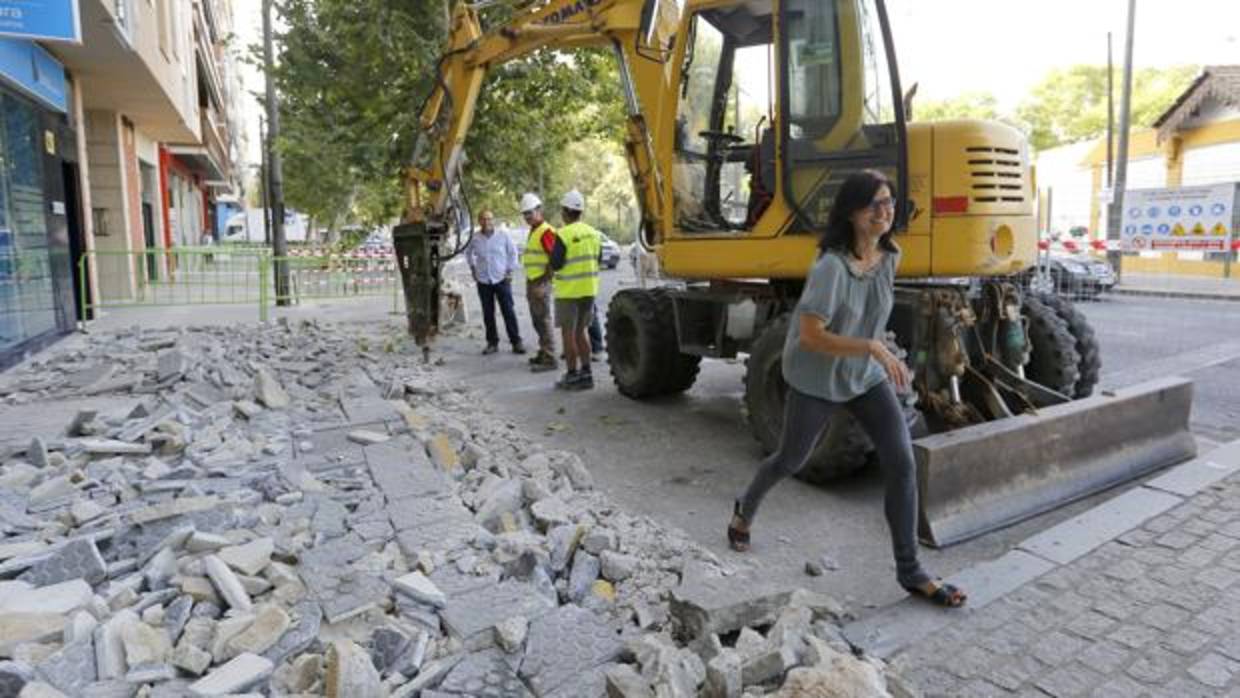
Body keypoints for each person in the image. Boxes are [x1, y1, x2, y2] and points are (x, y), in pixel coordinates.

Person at [727, 169, 967, 608]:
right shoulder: (830, 268)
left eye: (890, 202)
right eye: (875, 204)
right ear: (852, 213)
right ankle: (745, 508)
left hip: (865, 376)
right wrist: (874, 347)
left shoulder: (891, 255)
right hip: (818, 376)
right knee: (790, 458)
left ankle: (911, 572)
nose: (885, 211)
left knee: (901, 462)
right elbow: (813, 336)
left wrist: (883, 356)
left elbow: (870, 313)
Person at [547, 189, 601, 390]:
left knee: (568, 334)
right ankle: (586, 373)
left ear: (565, 212)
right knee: (582, 332)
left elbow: (556, 264)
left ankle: (571, 374)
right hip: (589, 291)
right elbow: (598, 259)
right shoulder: (594, 234)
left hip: (569, 292)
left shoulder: (564, 234)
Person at [465, 210, 525, 355]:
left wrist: (510, 270)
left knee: (508, 311)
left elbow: (513, 253)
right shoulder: (475, 238)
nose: (486, 222)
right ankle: (492, 343)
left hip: (501, 279)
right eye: (483, 219)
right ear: (479, 221)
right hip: (484, 280)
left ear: (493, 220)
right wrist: (473, 269)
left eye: (489, 219)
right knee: (488, 313)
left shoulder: (503, 235)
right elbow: (468, 254)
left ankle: (516, 342)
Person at [519, 193, 558, 372]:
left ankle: (550, 358)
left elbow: (554, 258)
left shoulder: (545, 231)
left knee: (543, 319)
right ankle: (543, 351)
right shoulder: (534, 230)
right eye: (525, 214)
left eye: (530, 213)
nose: (527, 217)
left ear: (539, 210)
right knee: (537, 320)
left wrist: (543, 281)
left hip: (540, 282)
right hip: (533, 281)